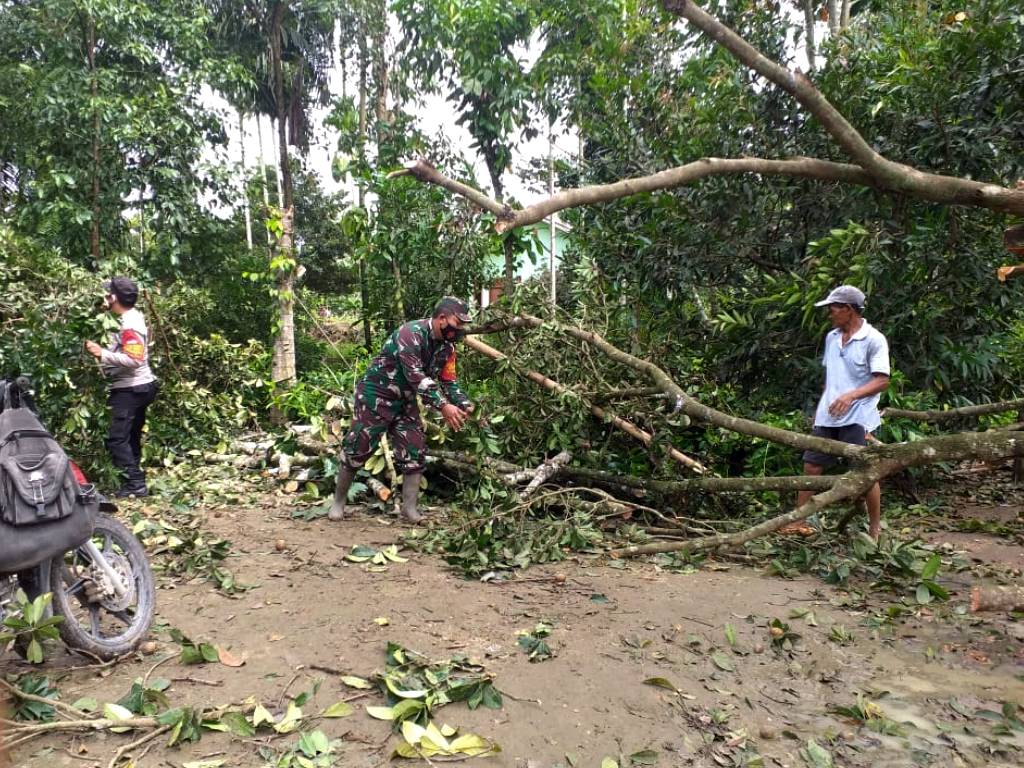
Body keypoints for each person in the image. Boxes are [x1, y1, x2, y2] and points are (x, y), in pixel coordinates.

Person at [330, 297, 476, 523]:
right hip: (375, 395)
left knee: (414, 449)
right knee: (357, 447)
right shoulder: (410, 333)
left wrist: (463, 403)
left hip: (406, 400)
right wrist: (443, 406)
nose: (461, 330)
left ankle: (409, 510)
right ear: (441, 318)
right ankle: (338, 503)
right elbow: (415, 375)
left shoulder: (448, 348)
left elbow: (449, 381)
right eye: (458, 323)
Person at [797, 285, 890, 539]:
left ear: (849, 310)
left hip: (858, 415)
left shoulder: (873, 339)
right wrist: (820, 409)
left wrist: (851, 396)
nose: (830, 314)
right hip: (830, 414)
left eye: (834, 309)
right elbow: (832, 378)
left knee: (865, 470)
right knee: (812, 465)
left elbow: (882, 380)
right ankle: (798, 519)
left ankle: (874, 526)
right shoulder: (832, 338)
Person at [84, 277, 158, 498]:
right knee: (130, 436)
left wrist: (101, 353)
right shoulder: (128, 316)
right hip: (139, 386)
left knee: (117, 438)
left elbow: (135, 359)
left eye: (108, 294)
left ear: (114, 297)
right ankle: (133, 479)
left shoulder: (128, 323)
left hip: (131, 389)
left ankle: (135, 484)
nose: (105, 297)